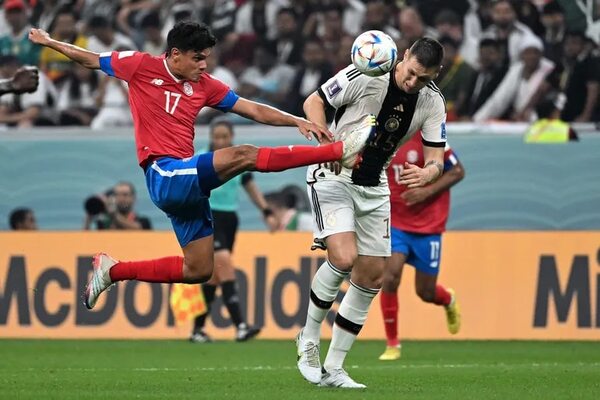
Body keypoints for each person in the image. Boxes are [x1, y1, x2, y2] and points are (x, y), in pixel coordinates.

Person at [28, 21, 372, 311]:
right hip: (164, 173)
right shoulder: (139, 65)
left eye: (206, 59)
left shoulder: (204, 85)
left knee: (199, 269)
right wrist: (50, 43)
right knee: (244, 154)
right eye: (198, 58)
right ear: (174, 54)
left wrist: (296, 119)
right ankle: (337, 152)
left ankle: (113, 271)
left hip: (186, 186)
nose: (204, 65)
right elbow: (90, 59)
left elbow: (251, 108)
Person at [296, 37, 447, 388]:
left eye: (423, 79)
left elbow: (437, 159)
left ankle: (334, 368)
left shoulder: (432, 102)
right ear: (404, 56)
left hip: (375, 186)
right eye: (410, 73)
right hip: (334, 174)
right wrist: (327, 144)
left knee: (371, 277)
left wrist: (428, 173)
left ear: (435, 75)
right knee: (344, 256)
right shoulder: (366, 70)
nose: (412, 83)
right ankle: (308, 338)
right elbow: (313, 101)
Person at [378, 132, 465, 362]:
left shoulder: (431, 137)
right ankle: (392, 344)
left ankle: (447, 299)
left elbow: (458, 171)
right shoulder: (386, 134)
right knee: (390, 277)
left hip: (428, 226)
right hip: (396, 222)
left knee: (425, 292)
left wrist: (426, 191)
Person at [190, 118, 275, 343]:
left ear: (231, 137)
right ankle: (241, 325)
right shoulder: (201, 158)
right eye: (216, 136)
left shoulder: (237, 159)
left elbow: (249, 185)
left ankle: (197, 330)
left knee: (214, 276)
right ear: (211, 137)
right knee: (225, 265)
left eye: (224, 136)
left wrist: (266, 210)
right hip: (209, 216)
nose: (220, 140)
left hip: (230, 219)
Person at [83, 181, 152, 230]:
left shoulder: (143, 221)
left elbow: (138, 230)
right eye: (117, 195)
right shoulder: (103, 223)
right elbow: (87, 242)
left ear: (134, 198)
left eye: (125, 195)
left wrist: (113, 213)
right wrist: (89, 217)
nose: (121, 199)